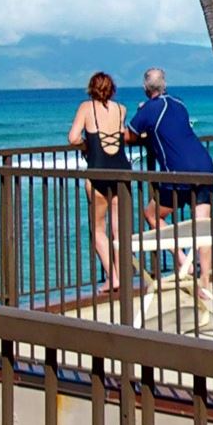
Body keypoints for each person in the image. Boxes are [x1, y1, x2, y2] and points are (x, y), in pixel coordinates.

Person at [128, 68, 213, 293]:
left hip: (179, 171)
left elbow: (129, 135)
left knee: (152, 214)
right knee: (202, 225)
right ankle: (205, 283)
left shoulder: (149, 109)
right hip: (204, 165)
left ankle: (182, 261)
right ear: (165, 85)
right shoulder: (179, 103)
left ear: (144, 88)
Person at [70, 72, 135, 289]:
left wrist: (85, 144)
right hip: (121, 171)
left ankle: (112, 277)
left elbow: (73, 138)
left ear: (91, 88)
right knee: (119, 230)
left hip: (98, 172)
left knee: (98, 229)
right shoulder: (121, 109)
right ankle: (121, 276)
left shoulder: (86, 108)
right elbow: (120, 134)